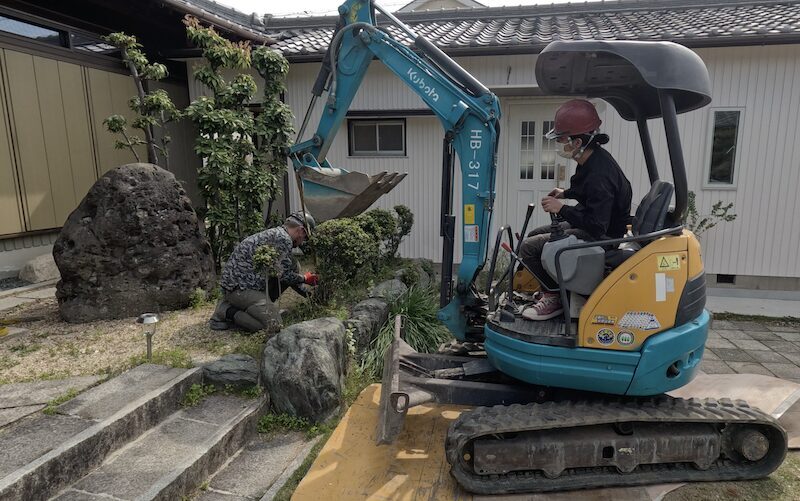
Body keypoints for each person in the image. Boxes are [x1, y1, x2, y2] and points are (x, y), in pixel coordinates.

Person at [519, 99, 632, 321]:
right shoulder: (591, 159)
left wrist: (561, 208)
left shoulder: (600, 175)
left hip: (603, 235)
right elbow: (587, 192)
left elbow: (596, 225)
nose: (559, 144)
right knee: (534, 236)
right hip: (597, 224)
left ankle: (554, 297)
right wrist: (566, 194)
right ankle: (554, 288)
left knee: (528, 248)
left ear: (577, 141)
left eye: (561, 139)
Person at [209, 211, 319, 332]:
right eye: (305, 237)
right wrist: (304, 279)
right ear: (301, 230)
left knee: (293, 264)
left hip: (247, 284)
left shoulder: (278, 233)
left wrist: (310, 296)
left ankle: (260, 309)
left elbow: (286, 272)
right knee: (274, 325)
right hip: (240, 289)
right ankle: (227, 311)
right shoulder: (283, 239)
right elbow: (284, 276)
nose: (303, 241)